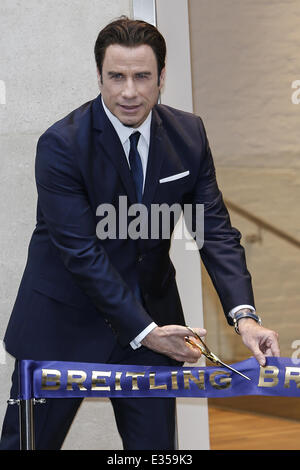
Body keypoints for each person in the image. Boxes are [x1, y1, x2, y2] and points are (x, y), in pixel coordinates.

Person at [0, 17, 279, 450]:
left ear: (161, 77)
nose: (129, 91)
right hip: (62, 328)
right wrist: (146, 330)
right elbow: (82, 254)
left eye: (142, 76)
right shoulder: (61, 145)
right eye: (116, 76)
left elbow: (214, 231)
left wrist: (245, 317)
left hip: (154, 328)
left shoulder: (189, 135)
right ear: (99, 76)